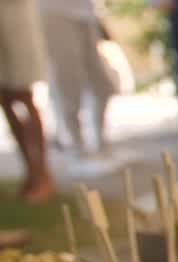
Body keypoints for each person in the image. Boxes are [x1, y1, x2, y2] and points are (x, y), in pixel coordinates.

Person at [40, 0, 117, 155]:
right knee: (67, 83)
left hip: (86, 12)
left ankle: (100, 144)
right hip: (54, 11)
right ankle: (76, 149)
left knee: (104, 84)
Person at [0, 0, 55, 202]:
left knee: (23, 94)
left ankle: (41, 173)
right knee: (5, 97)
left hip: (15, 14)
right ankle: (30, 172)